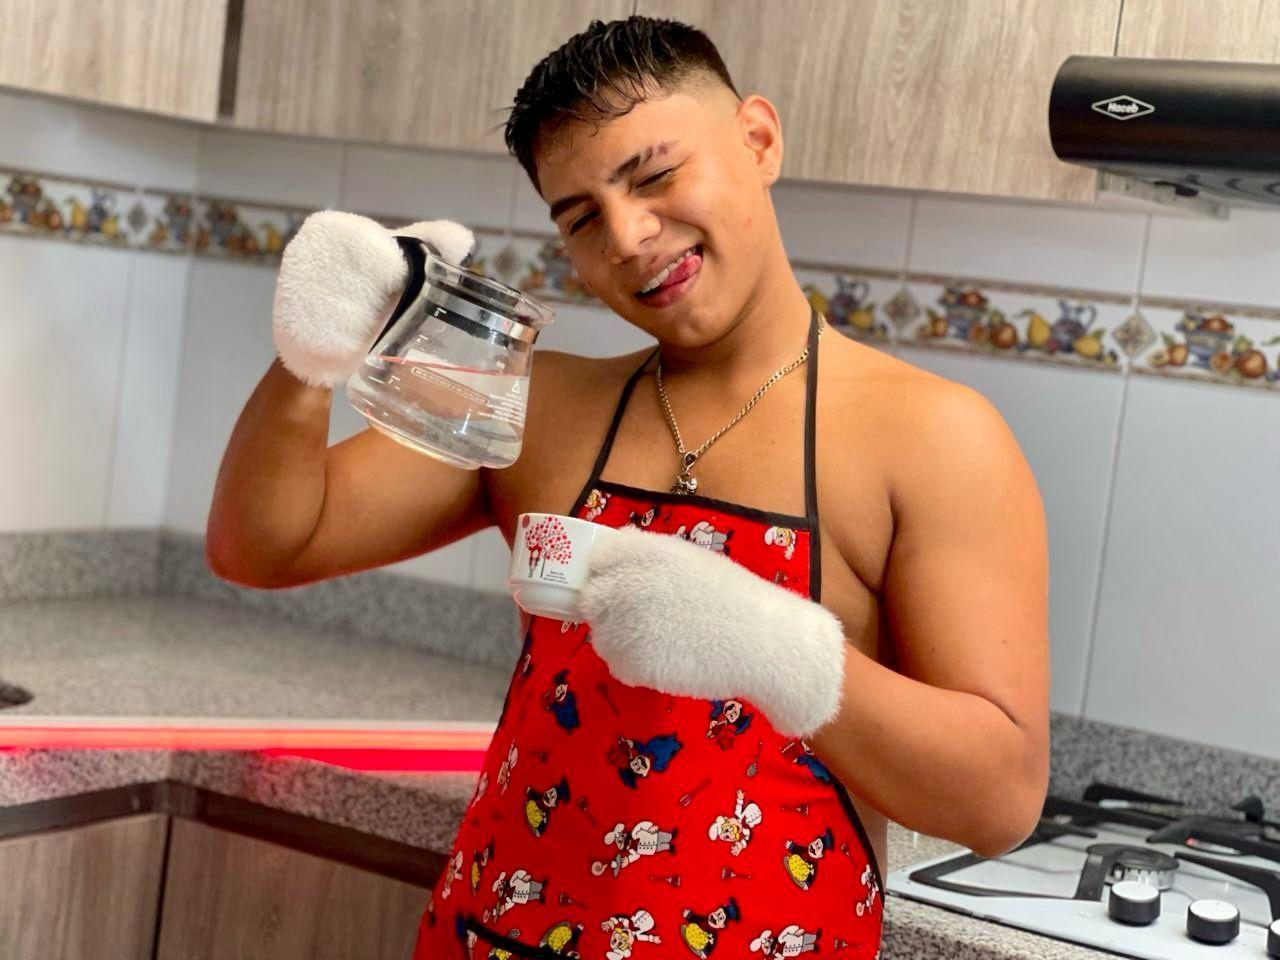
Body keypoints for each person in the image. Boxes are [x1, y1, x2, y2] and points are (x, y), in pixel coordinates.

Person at [207, 16, 1050, 959]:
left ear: (758, 140)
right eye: (580, 217)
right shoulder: (542, 409)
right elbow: (262, 544)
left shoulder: (934, 438)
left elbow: (1000, 801)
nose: (629, 236)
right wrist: (310, 362)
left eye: (654, 176)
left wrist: (778, 651)